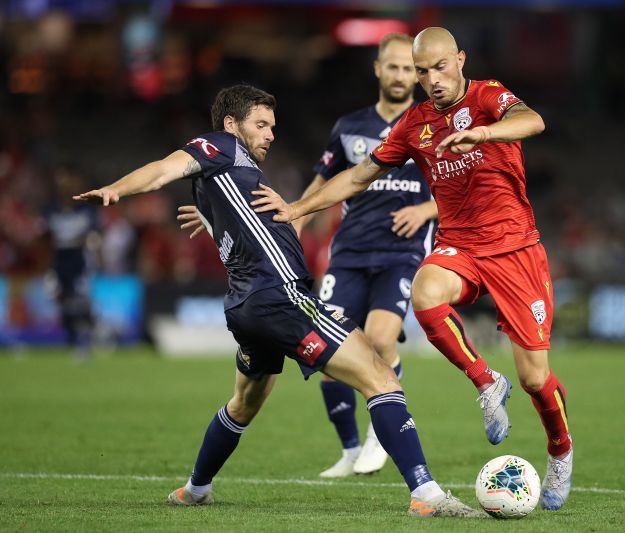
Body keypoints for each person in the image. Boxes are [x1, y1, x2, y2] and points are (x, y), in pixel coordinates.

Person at [73, 84, 480, 518]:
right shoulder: (221, 147)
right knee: (381, 376)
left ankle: (195, 490)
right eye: (261, 125)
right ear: (231, 124)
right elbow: (161, 171)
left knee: (244, 404)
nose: (270, 134)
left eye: (273, 126)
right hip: (281, 295)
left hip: (247, 306)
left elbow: (243, 231)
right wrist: (118, 188)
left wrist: (213, 218)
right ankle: (427, 494)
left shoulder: (230, 176)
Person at [249, 28, 574, 511]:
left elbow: (532, 121)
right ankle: (485, 381)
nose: (431, 79)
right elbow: (359, 175)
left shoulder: (487, 96)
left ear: (460, 60)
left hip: (515, 251)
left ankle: (560, 451)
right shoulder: (415, 124)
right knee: (425, 293)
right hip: (459, 246)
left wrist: (482, 132)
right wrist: (297, 210)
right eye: (423, 71)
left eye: (440, 67)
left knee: (534, 378)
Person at [290, 33, 436, 478]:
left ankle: (380, 433)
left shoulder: (432, 125)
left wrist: (426, 208)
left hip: (402, 253)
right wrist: (294, 219)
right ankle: (351, 449)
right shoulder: (349, 127)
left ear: (419, 73)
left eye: (409, 68)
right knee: (328, 352)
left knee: (379, 339)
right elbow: (323, 181)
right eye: (392, 67)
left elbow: (465, 185)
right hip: (350, 251)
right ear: (377, 69)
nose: (400, 75)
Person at [42, 166, 101, 359]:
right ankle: (73, 337)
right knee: (60, 298)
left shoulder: (86, 209)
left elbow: (94, 235)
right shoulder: (51, 209)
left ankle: (86, 339)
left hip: (79, 258)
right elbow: (44, 237)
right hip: (59, 259)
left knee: (79, 299)